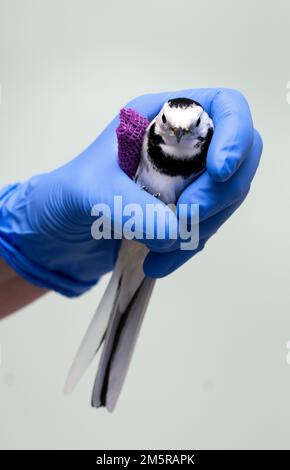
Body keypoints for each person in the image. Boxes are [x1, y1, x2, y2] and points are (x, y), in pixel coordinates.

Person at [0, 88, 262, 320]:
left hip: (155, 234)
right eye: (168, 125)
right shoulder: (146, 134)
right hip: (120, 226)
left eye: (190, 128)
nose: (178, 135)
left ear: (205, 124)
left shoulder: (211, 144)